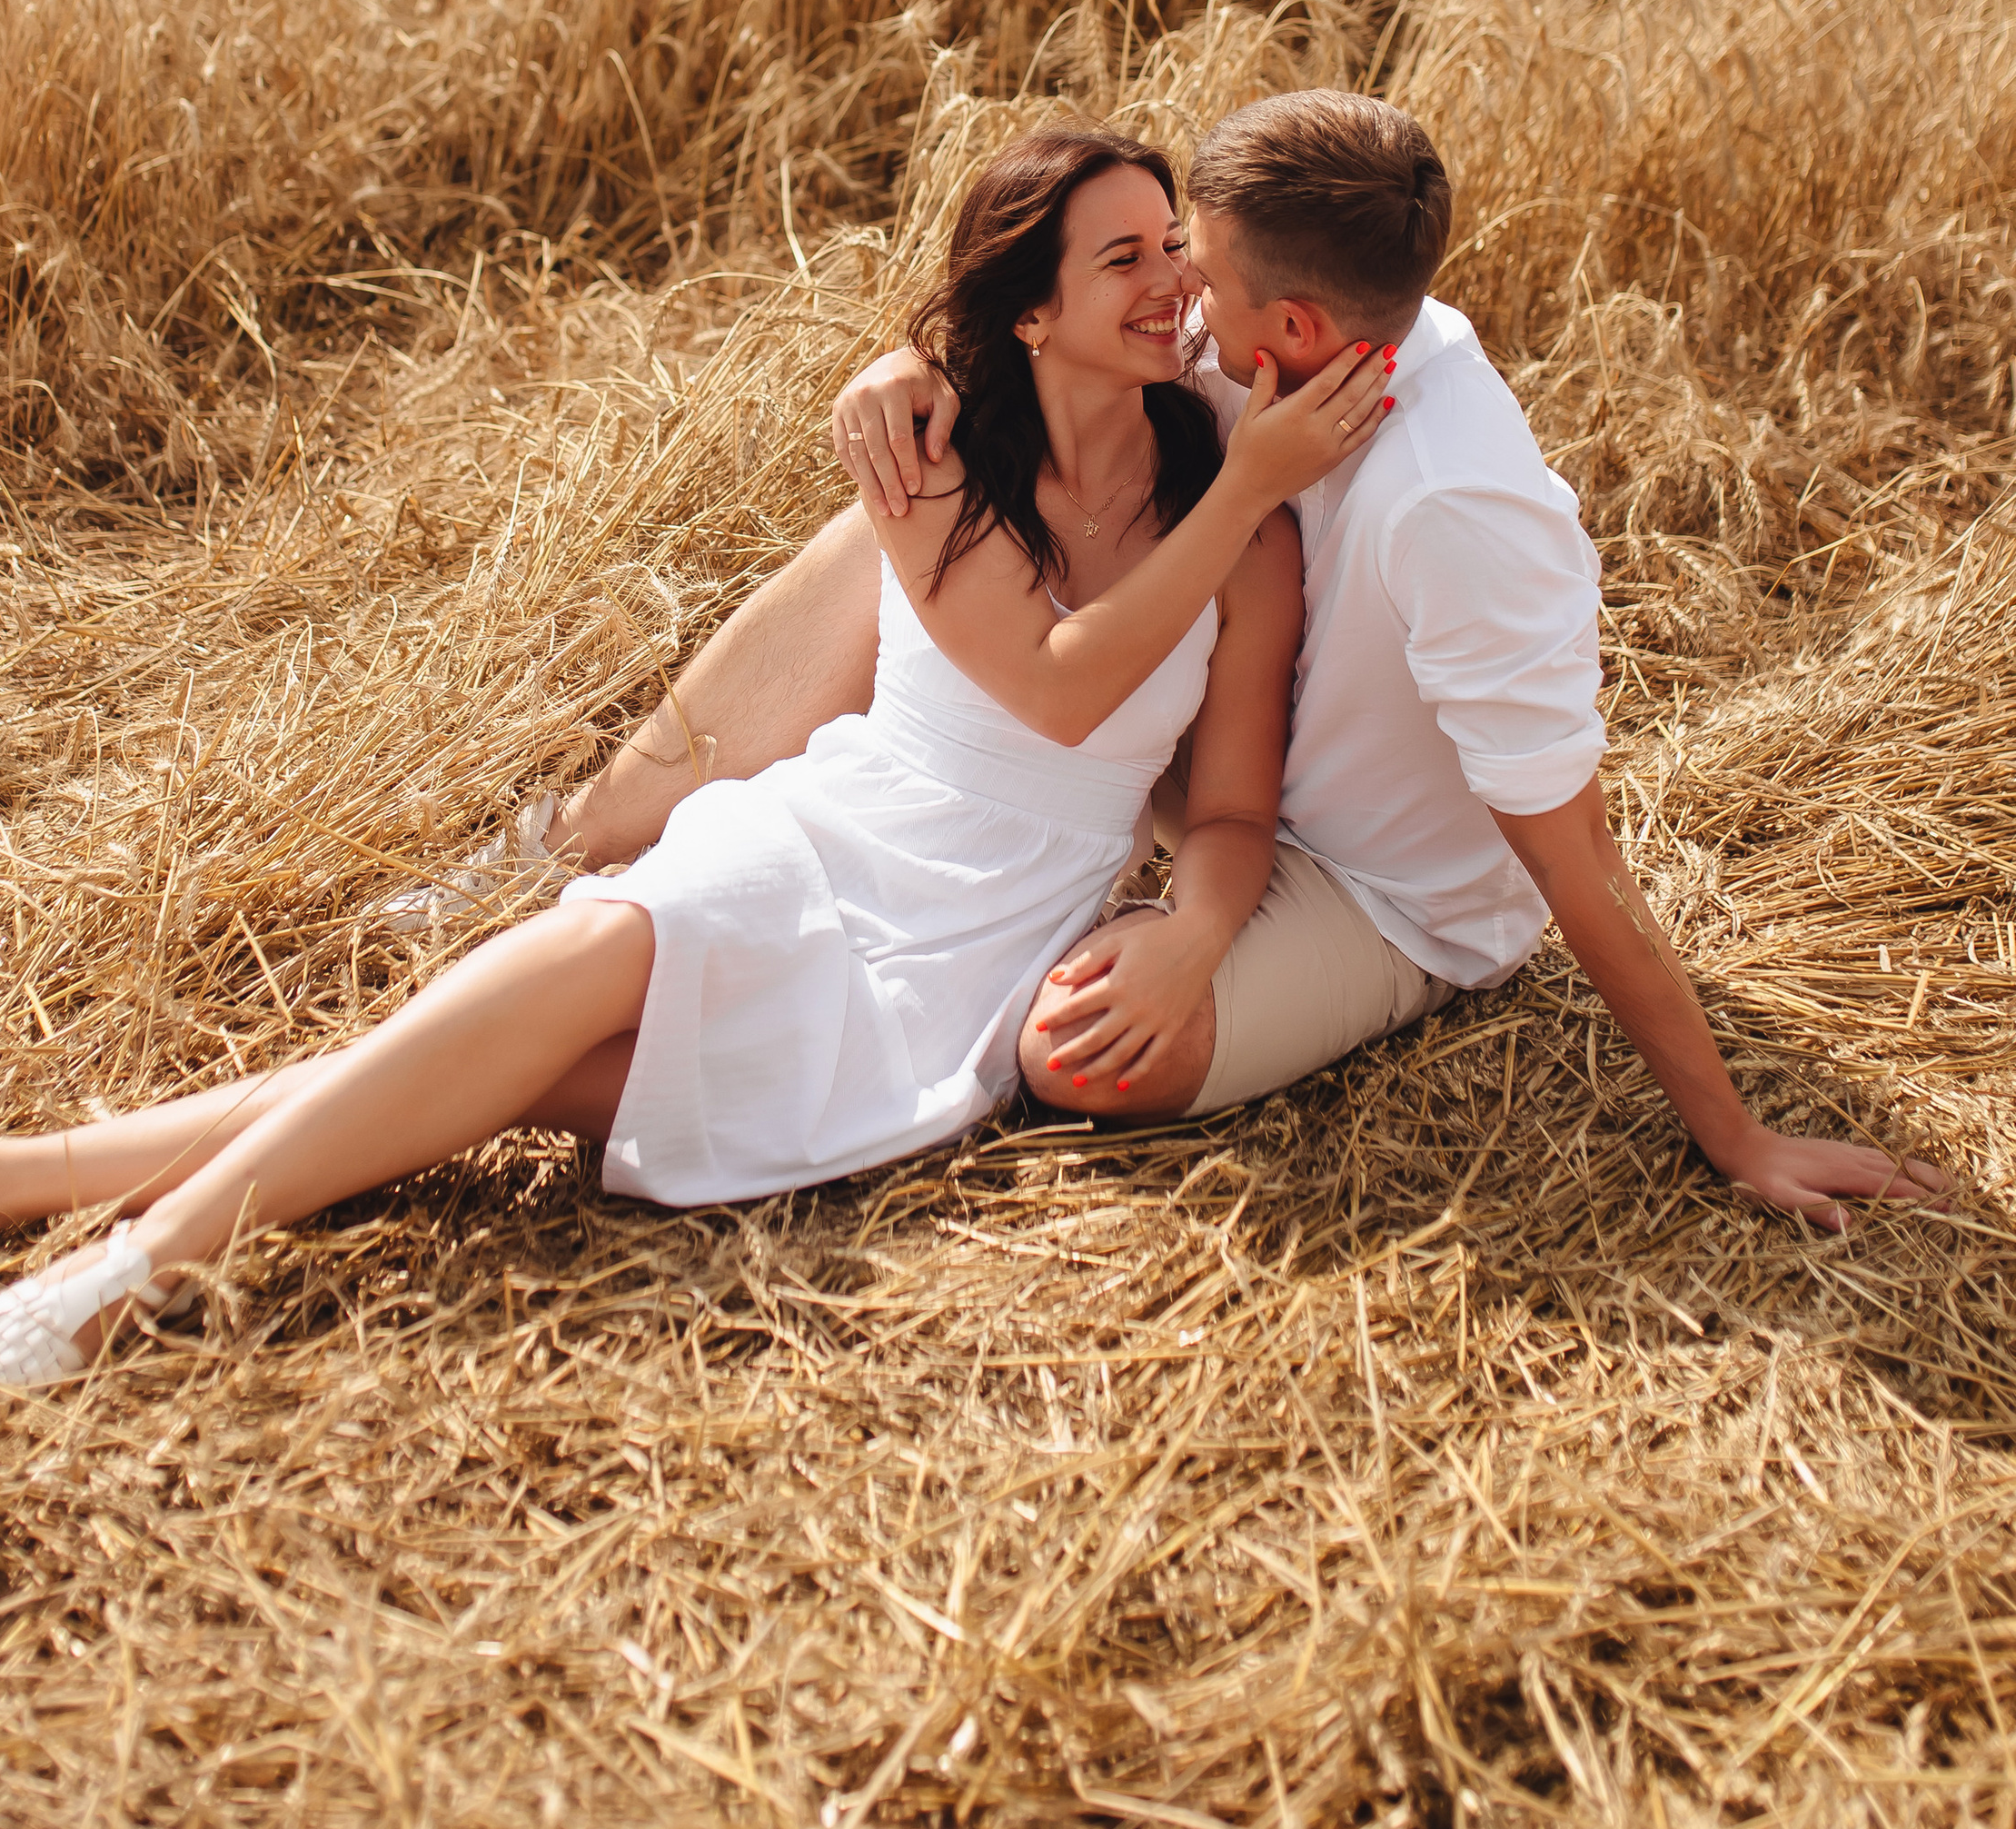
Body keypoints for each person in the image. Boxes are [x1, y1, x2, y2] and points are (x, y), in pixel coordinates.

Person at [0, 130, 1390, 1392]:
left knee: (438, 1081)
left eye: (1176, 246)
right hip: (827, 837)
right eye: (1127, 260)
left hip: (973, 949)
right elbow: (1056, 682)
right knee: (581, 948)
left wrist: (1191, 928)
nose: (1178, 283)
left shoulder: (1241, 520)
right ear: (1026, 316)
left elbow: (1227, 806)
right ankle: (114, 1279)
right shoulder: (943, 466)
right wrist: (1209, 474)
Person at [550, 91, 1942, 1234]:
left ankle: (628, 1063)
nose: (1171, 294)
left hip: (1363, 884)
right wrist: (902, 372)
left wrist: (1735, 1133)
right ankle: (572, 843)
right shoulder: (1270, 343)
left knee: (1076, 1051)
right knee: (898, 519)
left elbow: (1577, 859)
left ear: (1297, 331)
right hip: (1185, 746)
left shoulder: (1461, 511)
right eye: (1163, 263)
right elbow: (1053, 345)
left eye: (1193, 273)